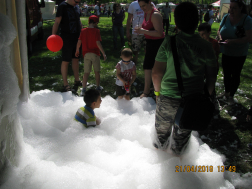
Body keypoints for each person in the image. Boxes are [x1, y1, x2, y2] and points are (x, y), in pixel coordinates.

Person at [152, 2, 217, 155]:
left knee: (160, 136)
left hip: (167, 96)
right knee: (181, 137)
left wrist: (157, 93)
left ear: (176, 21)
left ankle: (157, 165)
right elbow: (211, 76)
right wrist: (207, 95)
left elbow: (156, 73)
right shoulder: (206, 46)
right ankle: (177, 168)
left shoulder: (169, 42)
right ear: (197, 21)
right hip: (193, 100)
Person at [217, 0, 252, 105]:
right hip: (226, 51)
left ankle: (231, 96)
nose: (231, 10)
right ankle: (226, 92)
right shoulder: (226, 17)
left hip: (239, 53)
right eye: (230, 7)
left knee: (235, 74)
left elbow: (249, 38)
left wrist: (233, 41)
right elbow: (219, 30)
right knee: (226, 73)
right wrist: (220, 38)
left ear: (241, 8)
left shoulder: (247, 19)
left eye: (234, 8)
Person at [134, 0, 165, 98]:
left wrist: (143, 31)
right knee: (147, 67)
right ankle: (148, 90)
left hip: (158, 44)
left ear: (149, 3)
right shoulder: (146, 13)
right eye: (140, 6)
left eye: (144, 5)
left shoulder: (155, 15)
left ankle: (152, 92)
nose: (142, 8)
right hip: (150, 43)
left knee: (155, 69)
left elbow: (159, 33)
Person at [52, 0, 82, 92]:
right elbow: (57, 22)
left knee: (76, 59)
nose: (77, 3)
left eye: (79, 2)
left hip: (77, 38)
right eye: (76, 1)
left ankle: (77, 80)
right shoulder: (62, 6)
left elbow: (79, 21)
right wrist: (53, 36)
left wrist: (82, 34)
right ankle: (65, 84)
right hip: (66, 38)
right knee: (66, 61)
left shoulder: (76, 6)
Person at [75, 15, 107, 96]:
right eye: (97, 22)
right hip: (95, 54)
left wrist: (77, 50)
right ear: (95, 22)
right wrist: (103, 53)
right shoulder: (96, 31)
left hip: (86, 54)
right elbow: (98, 43)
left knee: (86, 72)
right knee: (97, 71)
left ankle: (84, 89)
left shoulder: (83, 31)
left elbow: (79, 42)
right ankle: (98, 86)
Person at [198, 22, 220, 112]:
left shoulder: (213, 43)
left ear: (209, 32)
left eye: (203, 34)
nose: (202, 36)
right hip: (201, 67)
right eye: (200, 35)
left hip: (212, 67)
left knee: (210, 83)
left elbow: (213, 56)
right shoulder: (199, 42)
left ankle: (212, 100)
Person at [126, 0, 145, 64]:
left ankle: (148, 66)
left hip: (147, 31)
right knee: (135, 50)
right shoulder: (133, 4)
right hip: (136, 31)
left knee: (148, 50)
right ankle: (134, 66)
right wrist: (127, 31)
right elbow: (129, 19)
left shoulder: (149, 3)